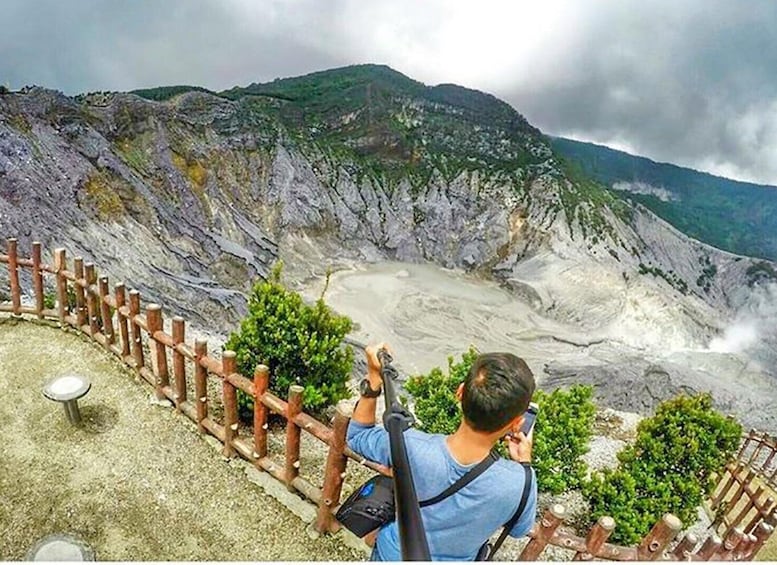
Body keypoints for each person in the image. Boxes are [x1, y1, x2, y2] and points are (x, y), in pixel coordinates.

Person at [347, 343, 538, 561]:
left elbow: (356, 436)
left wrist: (373, 378)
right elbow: (519, 530)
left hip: (394, 554)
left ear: (460, 392)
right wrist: (524, 464)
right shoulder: (519, 482)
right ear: (517, 423)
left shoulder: (410, 445)